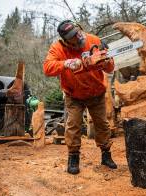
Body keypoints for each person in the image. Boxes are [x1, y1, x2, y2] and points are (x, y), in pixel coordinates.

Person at [43, 20, 117, 174]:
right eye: (72, 36)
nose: (77, 37)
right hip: (73, 94)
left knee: (102, 124)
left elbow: (111, 67)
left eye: (77, 32)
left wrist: (105, 63)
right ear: (65, 40)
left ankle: (106, 155)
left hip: (96, 92)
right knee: (73, 125)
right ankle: (73, 157)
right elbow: (47, 68)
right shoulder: (58, 48)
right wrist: (66, 63)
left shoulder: (94, 40)